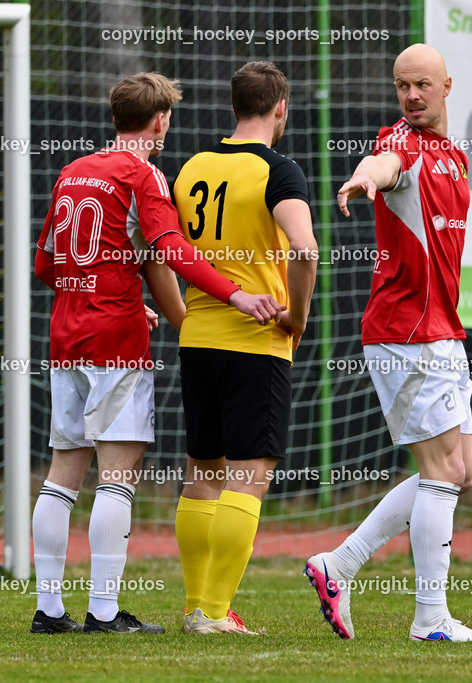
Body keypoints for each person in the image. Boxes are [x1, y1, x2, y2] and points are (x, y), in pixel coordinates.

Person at [31, 72, 282, 635]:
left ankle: (49, 611)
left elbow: (47, 264)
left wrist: (104, 291)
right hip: (114, 342)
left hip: (66, 336)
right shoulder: (141, 173)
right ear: (161, 120)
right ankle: (103, 612)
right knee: (117, 475)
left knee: (61, 474)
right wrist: (236, 293)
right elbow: (171, 250)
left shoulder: (74, 171)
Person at [304, 44, 472, 643]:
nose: (411, 96)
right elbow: (383, 163)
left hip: (441, 330)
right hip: (405, 333)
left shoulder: (455, 158)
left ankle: (340, 565)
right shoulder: (402, 145)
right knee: (441, 472)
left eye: (421, 85)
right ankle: (430, 619)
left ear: (446, 85)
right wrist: (363, 179)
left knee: (458, 470)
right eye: (401, 86)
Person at [173, 61, 318, 636]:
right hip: (256, 340)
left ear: (233, 106)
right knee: (250, 474)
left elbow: (165, 250)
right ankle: (213, 612)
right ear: (280, 108)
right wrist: (297, 318)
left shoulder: (190, 168)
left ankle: (195, 607)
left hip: (198, 335)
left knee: (202, 472)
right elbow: (305, 251)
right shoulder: (279, 171)